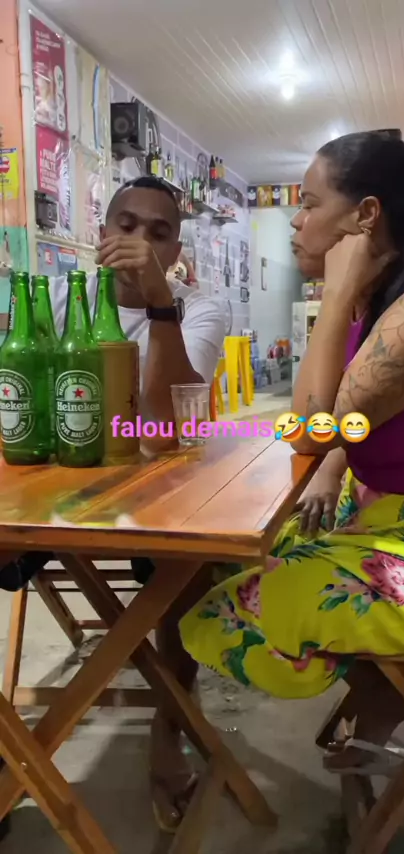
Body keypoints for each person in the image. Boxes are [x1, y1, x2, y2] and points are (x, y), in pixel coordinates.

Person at [179, 131, 404, 779]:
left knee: (231, 612)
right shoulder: (393, 297)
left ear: (365, 216)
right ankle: (381, 688)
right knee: (236, 553)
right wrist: (335, 469)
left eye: (310, 203)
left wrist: (337, 295)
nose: (296, 220)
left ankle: (384, 691)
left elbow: (310, 429)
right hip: (393, 511)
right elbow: (364, 419)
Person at [0, 175, 227, 827]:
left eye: (159, 233)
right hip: (52, 493)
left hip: (155, 494)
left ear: (176, 249)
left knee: (189, 564)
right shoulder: (57, 300)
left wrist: (159, 304)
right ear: (102, 233)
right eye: (127, 225)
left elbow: (166, 426)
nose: (140, 241)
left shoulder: (199, 308)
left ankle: (170, 727)